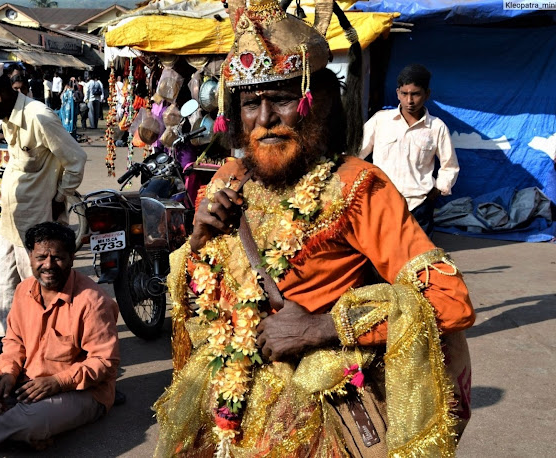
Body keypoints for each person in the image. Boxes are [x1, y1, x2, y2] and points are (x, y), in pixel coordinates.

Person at [155, 1, 475, 456]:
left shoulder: (357, 188)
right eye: (250, 103)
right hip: (219, 408)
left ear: (317, 101)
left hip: (308, 425)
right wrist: (198, 242)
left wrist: (322, 327)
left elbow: (449, 302)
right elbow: (197, 301)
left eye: (283, 99)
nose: (265, 120)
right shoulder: (227, 177)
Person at [0, 222, 119, 450]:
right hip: (29, 378)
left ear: (72, 258)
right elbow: (14, 340)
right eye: (41, 257)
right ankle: (21, 422)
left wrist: (57, 382)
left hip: (81, 391)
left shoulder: (93, 302)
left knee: (36, 419)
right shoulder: (24, 290)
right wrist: (9, 374)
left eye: (58, 258)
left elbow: (105, 362)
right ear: (30, 257)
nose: (48, 265)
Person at [0, 63, 87, 338]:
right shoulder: (6, 119)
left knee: (37, 289)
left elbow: (76, 159)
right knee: (1, 283)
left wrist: (60, 197)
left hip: (37, 223)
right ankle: (3, 341)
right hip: (9, 221)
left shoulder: (39, 116)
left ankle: (44, 346)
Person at [359, 64, 460, 235]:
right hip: (382, 201)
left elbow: (449, 166)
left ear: (426, 94)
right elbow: (357, 152)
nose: (410, 101)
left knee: (418, 258)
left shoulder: (436, 127)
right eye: (405, 94)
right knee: (384, 256)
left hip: (419, 205)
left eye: (415, 94)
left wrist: (436, 191)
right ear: (398, 93)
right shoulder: (381, 120)